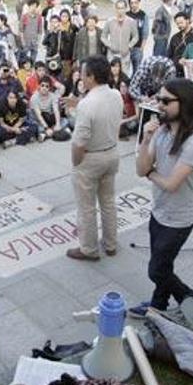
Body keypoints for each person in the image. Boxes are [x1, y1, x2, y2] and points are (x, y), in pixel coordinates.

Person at [132, 78, 193, 316]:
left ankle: (186, 295)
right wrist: (145, 139)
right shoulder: (162, 131)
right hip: (159, 211)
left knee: (156, 270)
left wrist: (150, 172)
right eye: (158, 99)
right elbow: (139, 168)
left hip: (179, 218)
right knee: (164, 265)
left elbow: (171, 184)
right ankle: (158, 306)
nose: (159, 105)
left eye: (165, 101)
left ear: (183, 103)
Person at [67, 56, 123, 261]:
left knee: (86, 207)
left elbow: (79, 142)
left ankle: (89, 249)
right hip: (112, 153)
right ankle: (110, 244)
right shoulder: (115, 94)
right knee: (108, 202)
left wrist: (76, 162)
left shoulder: (87, 105)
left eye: (83, 74)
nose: (81, 77)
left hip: (90, 158)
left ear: (91, 76)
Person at [102, 0, 138, 77]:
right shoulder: (110, 21)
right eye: (118, 8)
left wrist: (129, 46)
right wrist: (109, 45)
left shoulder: (131, 22)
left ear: (125, 9)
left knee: (124, 77)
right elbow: (103, 37)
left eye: (122, 8)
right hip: (112, 55)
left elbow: (136, 36)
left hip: (124, 55)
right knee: (111, 77)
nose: (120, 11)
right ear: (115, 9)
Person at [126, 0, 149, 74]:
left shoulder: (143, 15)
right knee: (125, 71)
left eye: (135, 2)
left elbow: (145, 33)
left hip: (138, 48)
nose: (133, 5)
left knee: (137, 71)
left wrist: (141, 48)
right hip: (127, 48)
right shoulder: (126, 15)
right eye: (131, 3)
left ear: (139, 3)